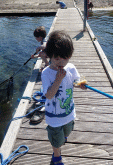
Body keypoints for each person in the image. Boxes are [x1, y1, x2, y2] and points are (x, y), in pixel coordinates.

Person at [41, 30, 86, 165]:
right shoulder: (46, 73)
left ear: (69, 56)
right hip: (54, 117)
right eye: (56, 58)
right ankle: (57, 156)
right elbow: (48, 95)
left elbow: (74, 82)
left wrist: (81, 85)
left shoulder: (71, 68)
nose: (60, 61)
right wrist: (58, 80)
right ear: (50, 56)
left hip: (69, 112)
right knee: (57, 140)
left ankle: (61, 139)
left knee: (67, 132)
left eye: (64, 58)